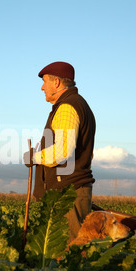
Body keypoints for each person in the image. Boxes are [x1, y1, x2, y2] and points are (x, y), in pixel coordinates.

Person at [23, 61, 96, 243]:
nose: (42, 87)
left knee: (69, 249)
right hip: (70, 191)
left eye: (45, 81)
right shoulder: (75, 104)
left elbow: (62, 151)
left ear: (56, 82)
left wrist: (34, 157)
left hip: (68, 193)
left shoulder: (67, 107)